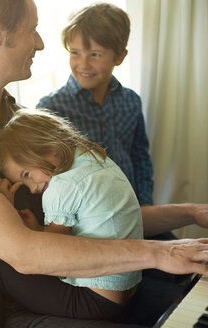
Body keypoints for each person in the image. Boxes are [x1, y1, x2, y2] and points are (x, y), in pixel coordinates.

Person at [0, 0, 208, 327]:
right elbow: (22, 252)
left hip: (56, 281)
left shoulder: (18, 120)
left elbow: (100, 216)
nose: (40, 43)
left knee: (184, 299)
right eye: (31, 29)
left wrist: (190, 212)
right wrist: (159, 253)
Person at [0, 108, 145, 327]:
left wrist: (6, 209)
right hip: (125, 291)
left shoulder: (62, 186)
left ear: (50, 148)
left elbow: (49, 258)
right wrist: (36, 230)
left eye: (26, 175)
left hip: (96, 302)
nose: (32, 188)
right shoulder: (95, 158)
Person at [37, 3, 153, 207]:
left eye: (95, 54)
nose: (83, 64)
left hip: (133, 209)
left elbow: (140, 157)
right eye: (75, 53)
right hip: (89, 215)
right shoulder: (51, 108)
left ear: (119, 57)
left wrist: (144, 204)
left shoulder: (131, 100)